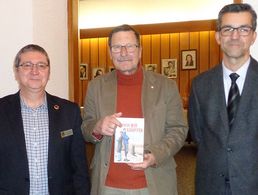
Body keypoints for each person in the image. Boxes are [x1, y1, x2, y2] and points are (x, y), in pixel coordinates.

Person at [82, 24, 187, 195]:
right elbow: (86, 128)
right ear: (110, 52)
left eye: (130, 46)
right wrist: (97, 127)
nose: (123, 53)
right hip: (108, 184)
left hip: (153, 182)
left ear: (140, 50)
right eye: (117, 47)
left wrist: (155, 155)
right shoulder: (96, 86)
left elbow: (178, 130)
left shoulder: (165, 86)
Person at [0, 44, 91, 194]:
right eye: (27, 65)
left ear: (48, 73)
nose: (35, 71)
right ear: (16, 72)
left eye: (41, 65)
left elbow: (80, 169)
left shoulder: (70, 112)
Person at [188, 3, 258, 195]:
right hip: (210, 185)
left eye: (243, 29)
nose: (235, 36)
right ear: (218, 36)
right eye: (228, 29)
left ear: (253, 36)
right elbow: (198, 136)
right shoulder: (199, 85)